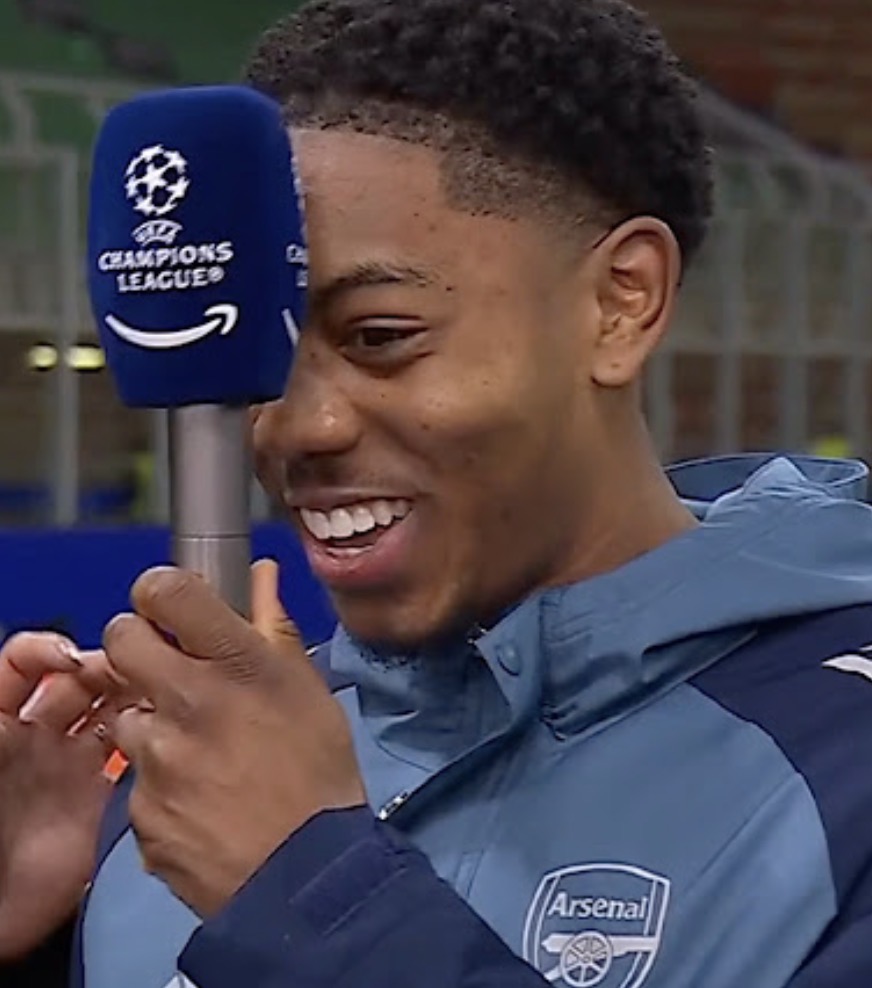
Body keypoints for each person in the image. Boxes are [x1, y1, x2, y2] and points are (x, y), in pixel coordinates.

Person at [4, 1, 872, 986]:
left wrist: (310, 895)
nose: (298, 426)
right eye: (268, 356)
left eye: (380, 337)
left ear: (619, 300)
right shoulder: (201, 779)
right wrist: (40, 943)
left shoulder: (838, 773)